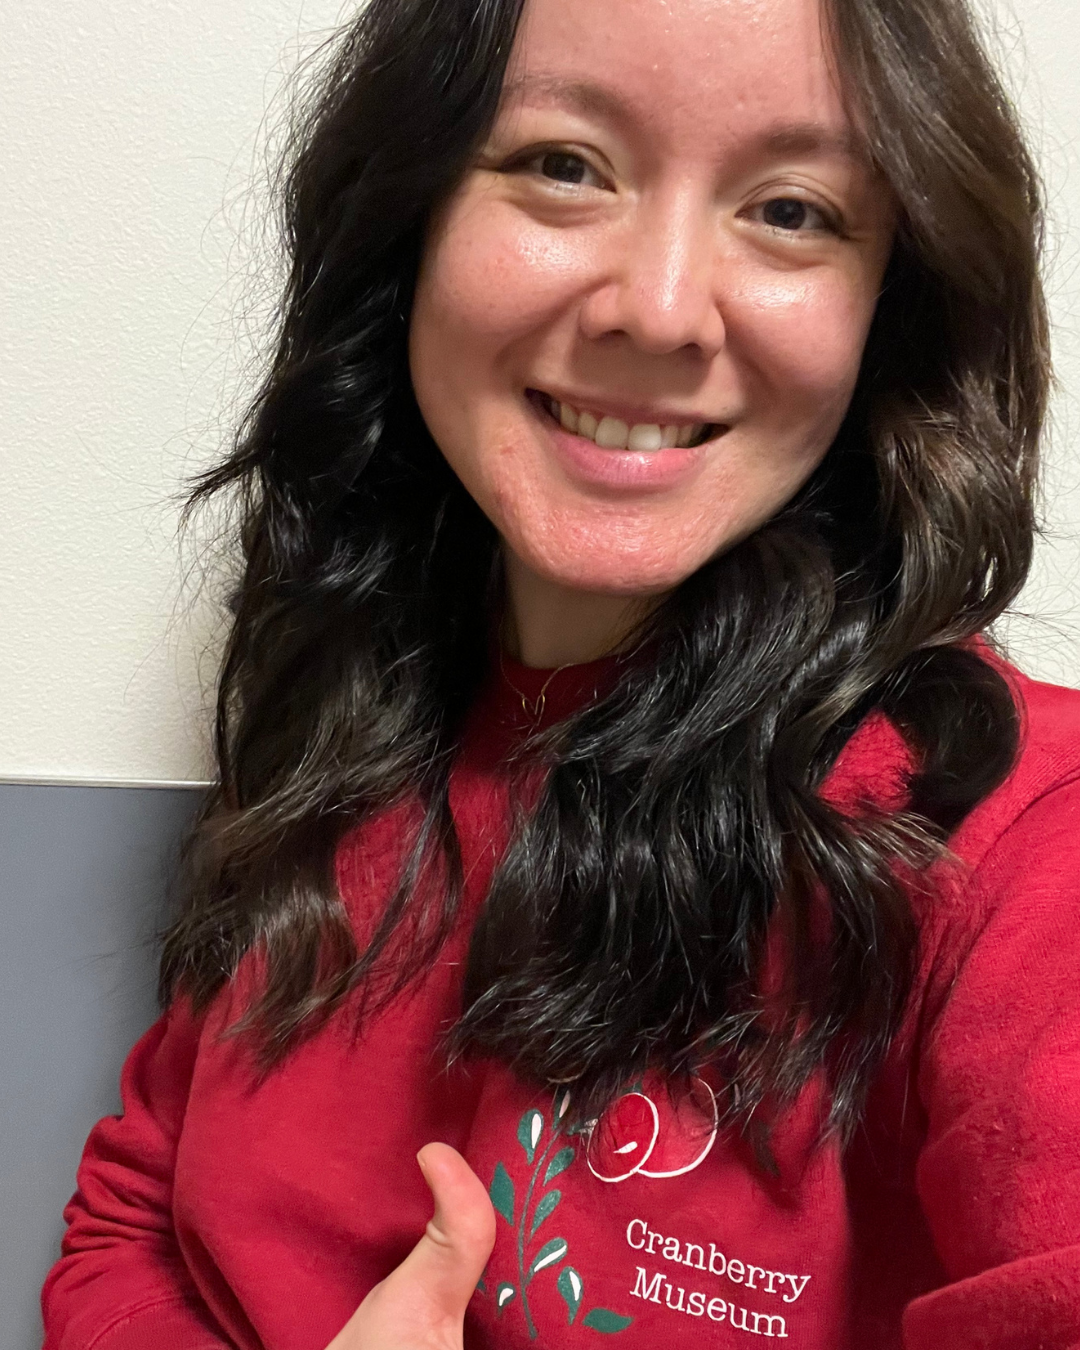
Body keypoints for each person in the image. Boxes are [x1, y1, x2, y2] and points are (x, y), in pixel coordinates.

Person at [40, 0, 1080, 1344]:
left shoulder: (1015, 840)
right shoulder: (346, 705)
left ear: (894, 300)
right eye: (564, 165)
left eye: (793, 209)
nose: (657, 310)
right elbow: (134, 1216)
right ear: (405, 218)